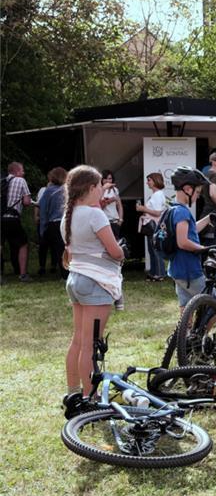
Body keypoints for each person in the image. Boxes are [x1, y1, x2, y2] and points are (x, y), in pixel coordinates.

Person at [61, 165, 124, 409]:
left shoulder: (68, 215)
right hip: (96, 281)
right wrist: (122, 252)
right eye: (99, 186)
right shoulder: (95, 215)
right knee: (91, 344)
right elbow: (115, 251)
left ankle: (73, 392)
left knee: (78, 340)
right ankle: (90, 398)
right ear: (91, 188)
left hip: (75, 278)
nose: (102, 190)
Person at [167, 167, 213, 311]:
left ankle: (186, 327)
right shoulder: (182, 212)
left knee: (186, 308)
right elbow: (182, 242)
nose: (198, 196)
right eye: (197, 192)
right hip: (189, 269)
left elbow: (189, 231)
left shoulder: (173, 209)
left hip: (177, 269)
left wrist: (208, 219)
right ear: (187, 189)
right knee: (213, 306)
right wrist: (204, 248)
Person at [1, 161, 32, 281]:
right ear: (17, 171)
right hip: (12, 218)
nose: (24, 173)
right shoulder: (20, 180)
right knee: (23, 244)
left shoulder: (2, 181)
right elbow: (27, 202)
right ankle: (23, 274)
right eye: (22, 170)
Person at [135, 172, 168, 281]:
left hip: (154, 225)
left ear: (155, 181)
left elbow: (157, 213)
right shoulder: (156, 194)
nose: (147, 182)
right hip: (153, 225)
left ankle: (159, 274)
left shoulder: (157, 195)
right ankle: (154, 273)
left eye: (149, 180)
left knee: (155, 250)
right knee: (152, 250)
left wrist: (143, 209)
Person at [39, 167, 68, 278]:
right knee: (69, 247)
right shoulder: (68, 189)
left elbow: (43, 210)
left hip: (55, 223)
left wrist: (42, 228)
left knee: (59, 249)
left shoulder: (49, 191)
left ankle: (64, 274)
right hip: (67, 221)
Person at [100, 170, 123, 238]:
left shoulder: (115, 190)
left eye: (110, 178)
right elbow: (99, 207)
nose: (108, 181)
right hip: (104, 222)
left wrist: (120, 220)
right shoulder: (100, 190)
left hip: (115, 222)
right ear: (102, 180)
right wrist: (109, 201)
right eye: (105, 178)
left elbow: (119, 206)